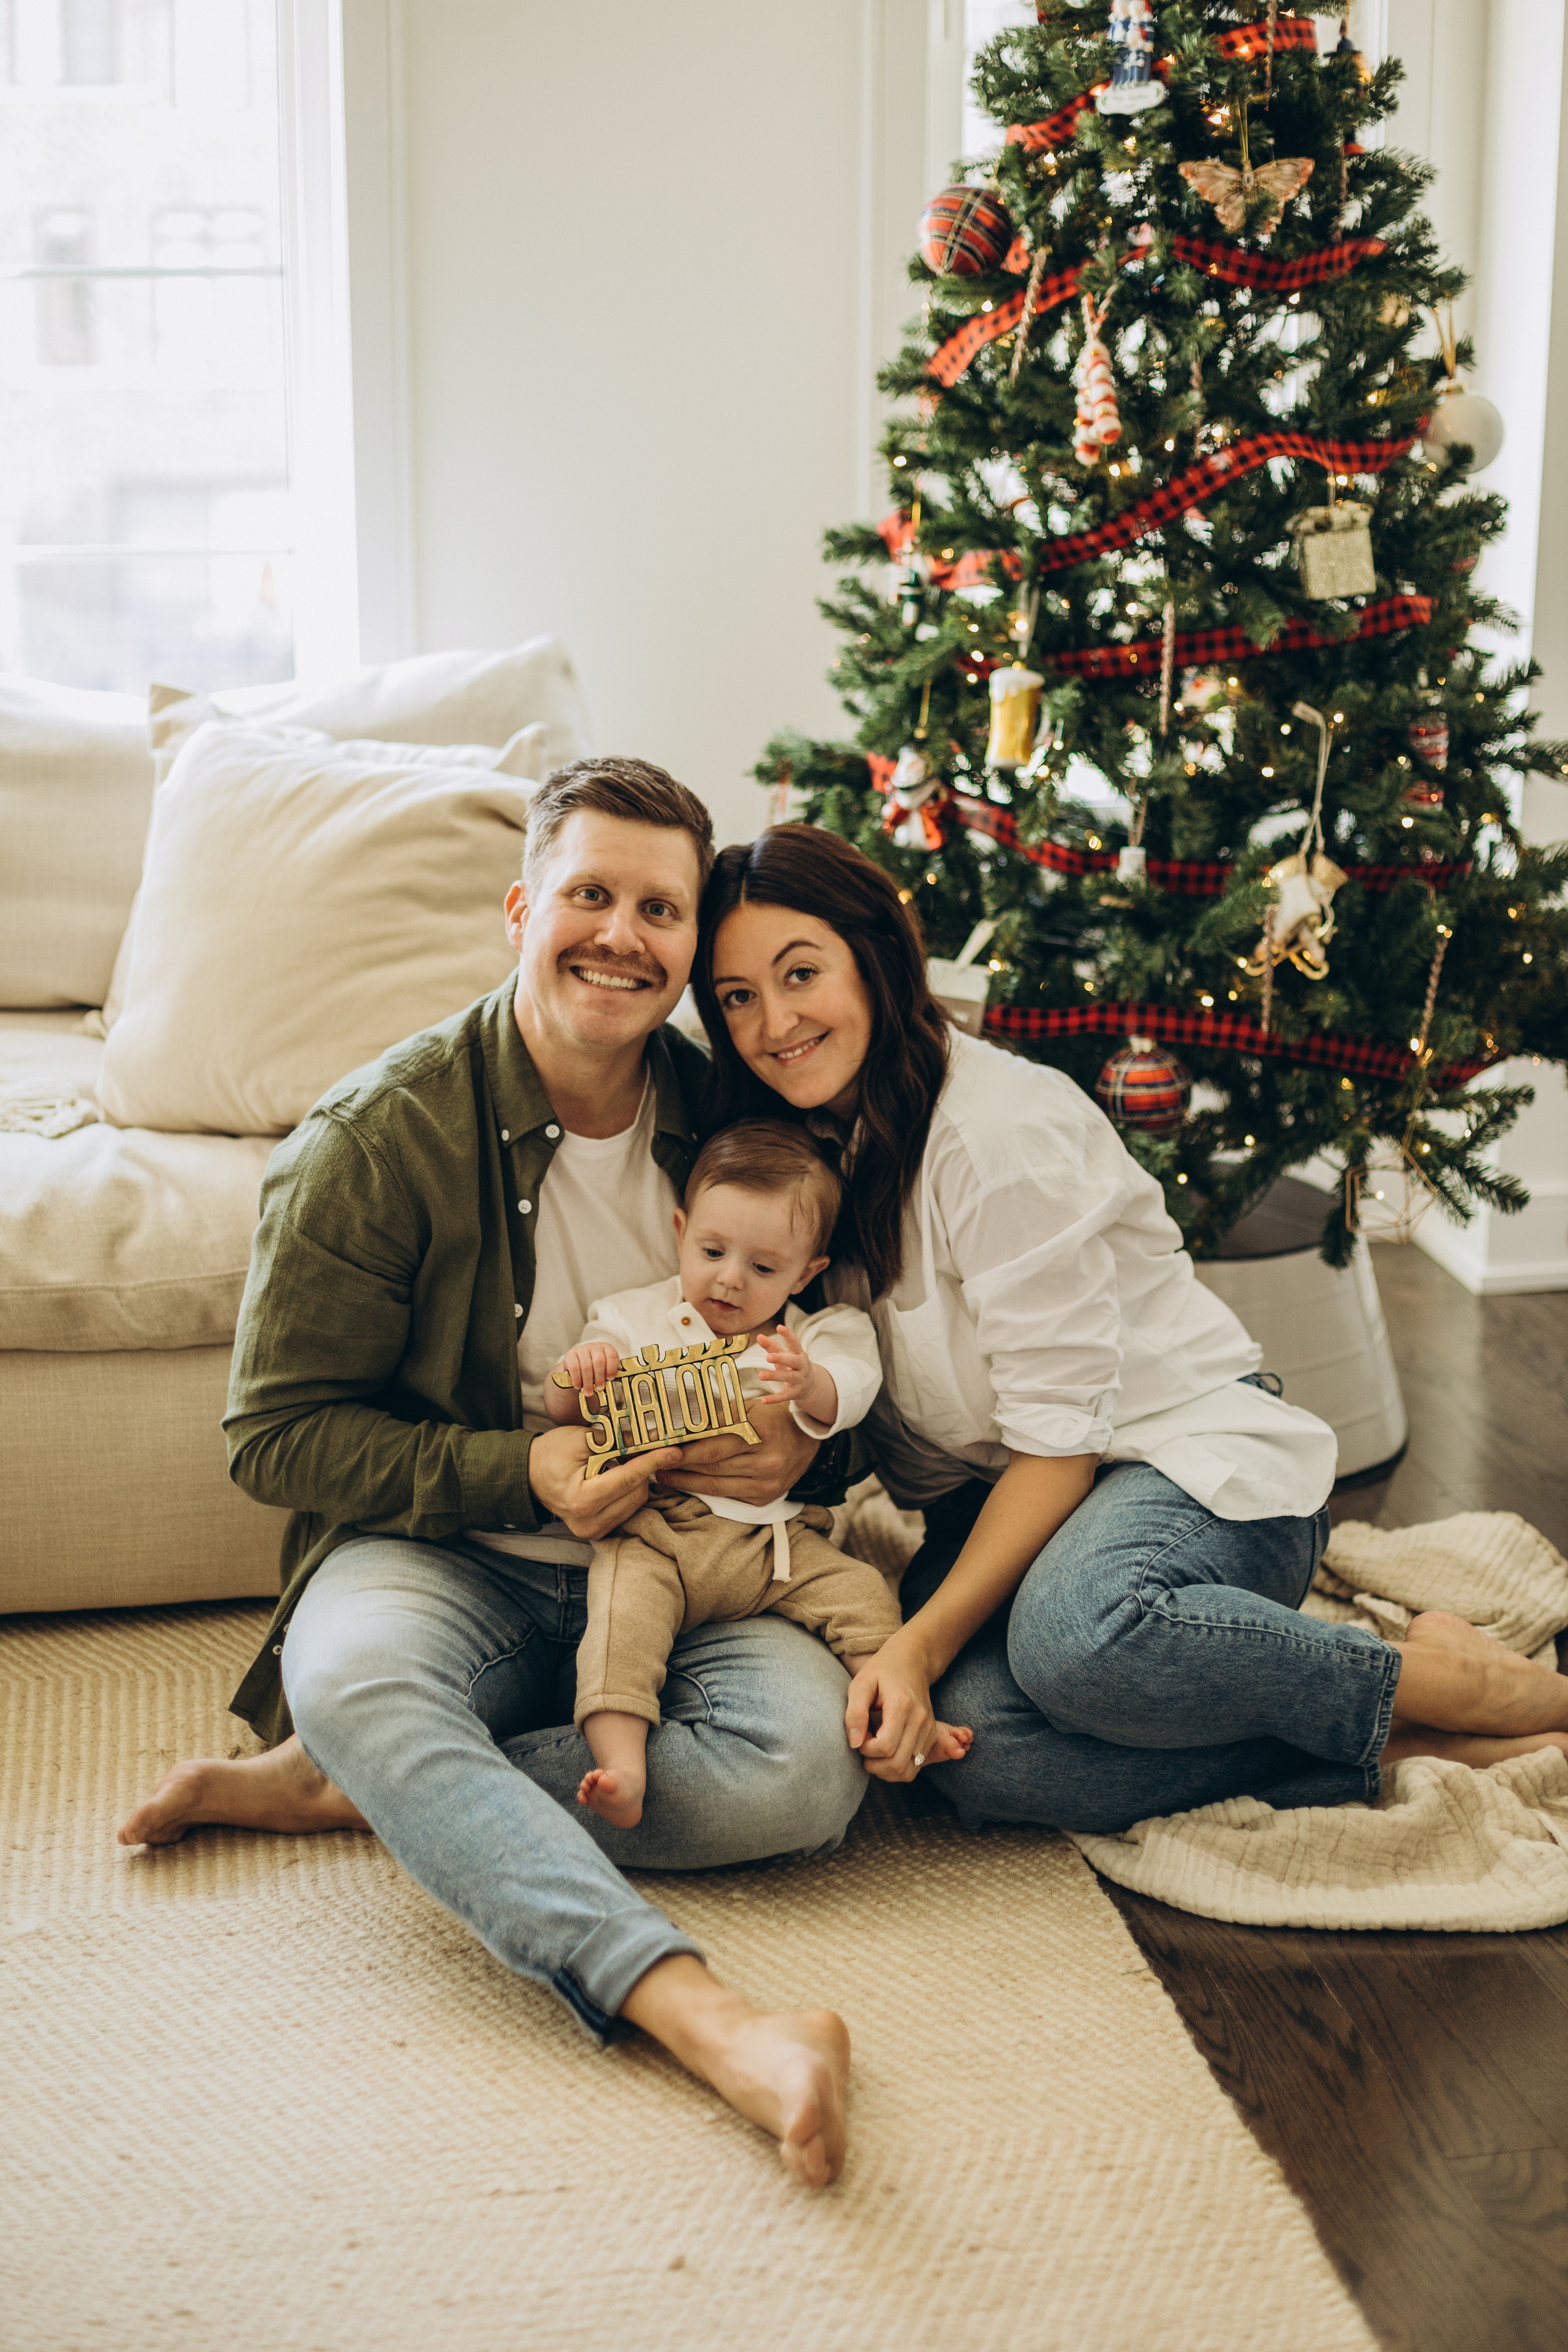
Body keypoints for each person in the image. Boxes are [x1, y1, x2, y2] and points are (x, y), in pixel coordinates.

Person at [116, 764, 869, 2187]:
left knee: (801, 1775)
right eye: (589, 893)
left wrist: (799, 1437)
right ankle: (708, 2018)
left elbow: (843, 1344)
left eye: (660, 907)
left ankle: (378, 1784)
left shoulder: (737, 1122)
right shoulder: (371, 1140)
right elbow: (275, 1434)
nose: (622, 935)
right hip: (451, 1551)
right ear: (522, 907)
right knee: (355, 1676)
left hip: (690, 1560)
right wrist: (521, 1467)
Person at [692, 822, 1568, 1820]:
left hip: (1180, 1467)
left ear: (876, 958)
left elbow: (1063, 1447)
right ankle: (1396, 1727)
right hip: (1004, 1503)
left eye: (800, 973)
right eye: (737, 998)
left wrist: (919, 1641)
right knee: (975, 1752)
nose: (773, 1022)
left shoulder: (993, 1136)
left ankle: (1464, 1686)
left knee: (1078, 1639)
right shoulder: (799, 1151)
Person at [550, 1118, 971, 1828]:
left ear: (807, 1271)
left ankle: (901, 1713)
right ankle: (620, 1762)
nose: (729, 1278)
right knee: (620, 1625)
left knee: (864, 1592)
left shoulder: (811, 1335)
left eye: (764, 1268)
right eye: (712, 1250)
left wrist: (809, 1386)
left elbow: (853, 1390)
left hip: (775, 1547)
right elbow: (567, 1406)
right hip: (657, 1535)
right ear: (681, 1231)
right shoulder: (631, 1316)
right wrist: (579, 1375)